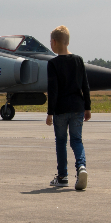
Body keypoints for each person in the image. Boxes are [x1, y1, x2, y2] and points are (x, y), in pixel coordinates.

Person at [46, 25, 91, 191]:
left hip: (60, 109)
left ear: (54, 42)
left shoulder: (53, 63)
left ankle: (62, 176)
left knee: (61, 142)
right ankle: (81, 167)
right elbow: (85, 85)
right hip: (78, 107)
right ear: (67, 42)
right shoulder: (78, 60)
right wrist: (88, 107)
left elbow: (53, 90)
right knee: (76, 140)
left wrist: (50, 113)